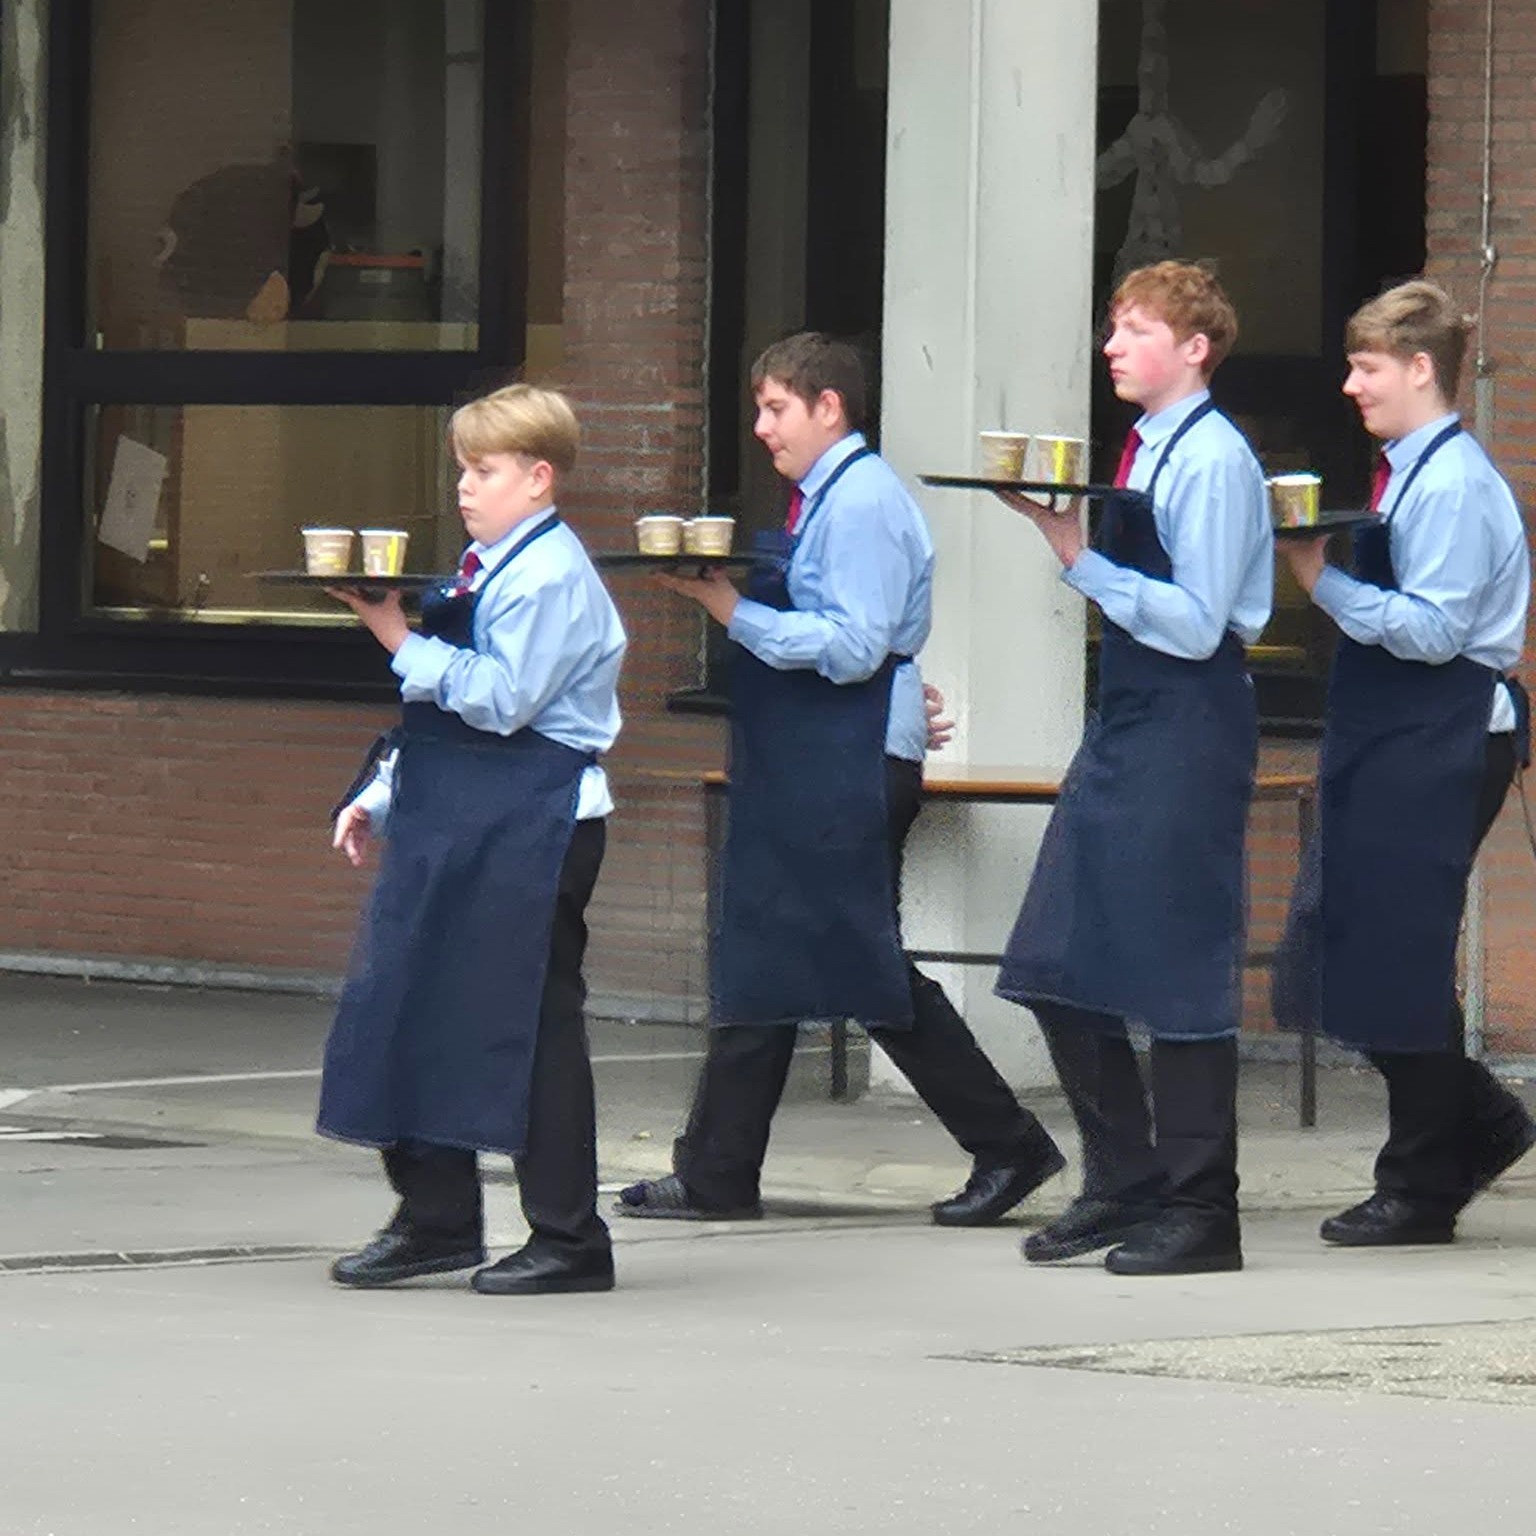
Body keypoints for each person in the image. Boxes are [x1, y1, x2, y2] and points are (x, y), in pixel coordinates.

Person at [617, 332, 1064, 1224]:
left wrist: (728, 607)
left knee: (859, 964)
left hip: (844, 759)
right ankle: (717, 1171)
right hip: (818, 754)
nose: (761, 427)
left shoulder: (859, 501)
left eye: (776, 408)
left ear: (830, 408)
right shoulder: (831, 496)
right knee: (770, 953)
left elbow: (856, 647)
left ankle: (1008, 1146)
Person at [317, 383, 627, 1296]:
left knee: (530, 1031)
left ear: (538, 478)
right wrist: (383, 794)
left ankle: (569, 1238)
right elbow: (441, 721)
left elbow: (499, 699)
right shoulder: (488, 563)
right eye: (462, 469)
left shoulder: (550, 574)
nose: (464, 486)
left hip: (536, 821)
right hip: (463, 812)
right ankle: (438, 1218)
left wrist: (390, 630)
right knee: (407, 1002)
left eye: (483, 470)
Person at [995, 261, 1272, 1276]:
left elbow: (1199, 625)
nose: (1112, 345)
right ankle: (1123, 1181)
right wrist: (1065, 534)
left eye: (1136, 329)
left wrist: (1080, 559)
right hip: (1129, 718)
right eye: (1113, 327)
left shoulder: (1214, 459)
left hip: (1190, 723)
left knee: (1185, 968)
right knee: (1055, 957)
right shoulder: (1148, 447)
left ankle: (1203, 1211)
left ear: (1195, 349)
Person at [1273, 279, 1534, 1246]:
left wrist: (1319, 579)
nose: (1350, 385)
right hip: (1405, 734)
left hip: (1446, 731)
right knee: (1355, 944)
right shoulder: (1410, 472)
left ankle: (1421, 1185)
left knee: (1399, 954)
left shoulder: (1454, 484)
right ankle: (1484, 1121)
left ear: (1421, 369)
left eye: (1367, 367)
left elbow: (1433, 633)